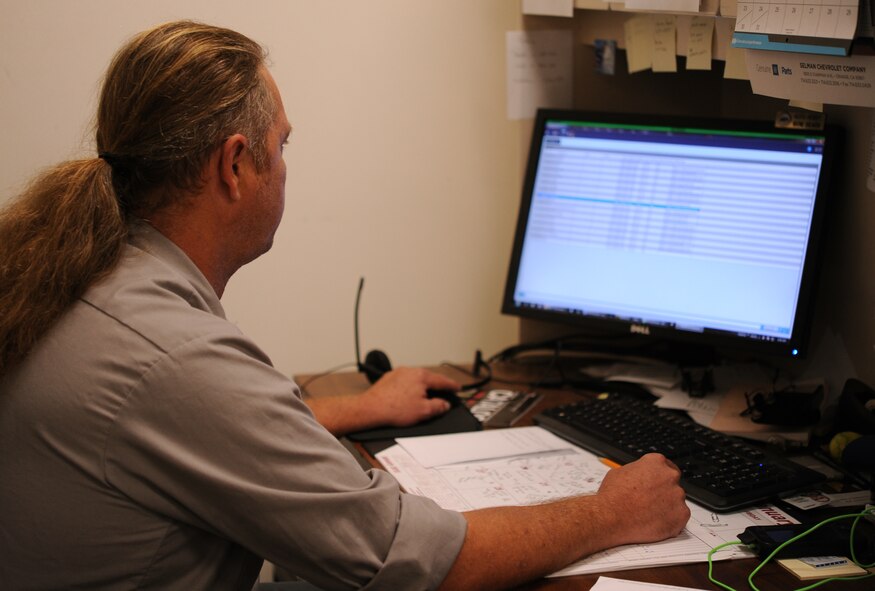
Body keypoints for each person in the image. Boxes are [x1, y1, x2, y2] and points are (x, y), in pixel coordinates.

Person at [0, 20, 690, 591]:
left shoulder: (88, 275)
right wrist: (606, 512)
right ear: (234, 166)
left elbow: (187, 430)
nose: (287, 164)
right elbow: (410, 558)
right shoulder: (174, 355)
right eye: (282, 145)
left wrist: (346, 409)